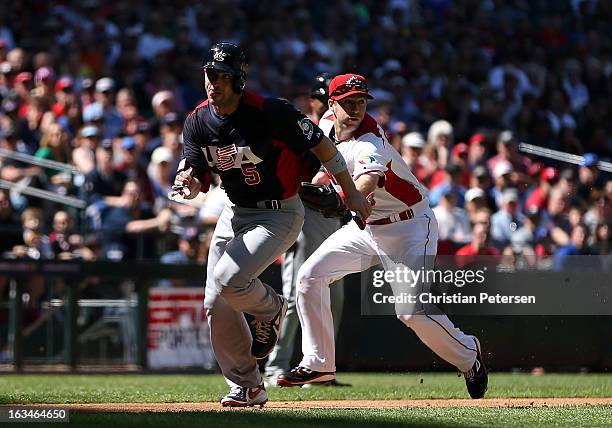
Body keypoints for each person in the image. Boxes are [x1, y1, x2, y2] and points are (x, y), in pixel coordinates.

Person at [172, 43, 370, 408]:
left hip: (278, 212)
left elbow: (323, 146)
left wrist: (351, 194)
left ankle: (271, 308)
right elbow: (195, 168)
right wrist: (189, 181)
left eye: (223, 77)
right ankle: (248, 386)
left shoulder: (270, 111)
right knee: (216, 301)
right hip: (236, 210)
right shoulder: (198, 119)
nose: (214, 83)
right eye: (210, 75)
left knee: (229, 281)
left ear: (239, 80)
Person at [276, 73, 488, 400]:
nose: (356, 108)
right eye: (349, 101)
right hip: (370, 227)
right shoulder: (328, 123)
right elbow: (330, 165)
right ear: (332, 104)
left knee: (411, 312)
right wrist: (319, 182)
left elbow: (366, 183)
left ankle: (469, 355)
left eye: (361, 101)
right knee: (309, 276)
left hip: (409, 227)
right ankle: (318, 362)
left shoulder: (369, 141)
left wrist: (342, 199)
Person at [264, 73, 346, 387]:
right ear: (313, 101)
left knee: (333, 295)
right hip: (304, 213)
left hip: (332, 216)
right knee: (296, 291)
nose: (329, 104)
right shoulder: (306, 129)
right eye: (325, 98)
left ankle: (321, 368)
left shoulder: (340, 129)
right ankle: (276, 365)